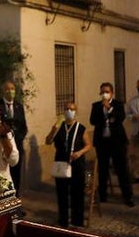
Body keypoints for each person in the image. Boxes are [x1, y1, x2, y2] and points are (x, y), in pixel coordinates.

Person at [44, 100, 92, 228]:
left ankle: (77, 220)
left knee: (77, 192)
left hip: (76, 163)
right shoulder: (59, 127)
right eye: (67, 109)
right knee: (62, 192)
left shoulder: (81, 128)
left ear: (75, 112)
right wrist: (52, 130)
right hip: (61, 163)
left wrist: (79, 153)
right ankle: (63, 219)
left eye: (72, 109)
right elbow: (48, 141)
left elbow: (88, 145)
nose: (69, 111)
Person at [89, 82, 133, 207]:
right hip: (102, 141)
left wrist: (110, 109)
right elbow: (92, 121)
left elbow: (120, 118)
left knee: (121, 169)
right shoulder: (96, 105)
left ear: (112, 93)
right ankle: (103, 194)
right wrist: (102, 114)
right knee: (102, 169)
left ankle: (127, 196)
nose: (105, 94)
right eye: (102, 91)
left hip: (117, 141)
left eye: (107, 91)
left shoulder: (118, 104)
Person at [0, 81, 28, 193]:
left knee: (16, 175)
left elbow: (24, 127)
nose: (10, 92)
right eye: (8, 89)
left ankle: (17, 199)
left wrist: (17, 138)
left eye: (12, 89)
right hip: (4, 146)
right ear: (3, 91)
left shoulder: (18, 106)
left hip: (17, 146)